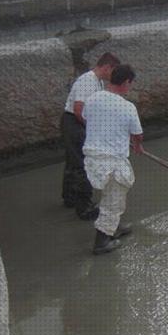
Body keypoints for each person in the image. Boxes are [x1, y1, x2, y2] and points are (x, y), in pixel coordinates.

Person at [82, 64, 144, 255]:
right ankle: (102, 243)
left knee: (108, 195)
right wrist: (137, 146)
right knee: (113, 201)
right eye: (130, 84)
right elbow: (137, 134)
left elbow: (85, 118)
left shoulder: (93, 98)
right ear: (126, 82)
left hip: (93, 159)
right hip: (112, 161)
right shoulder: (127, 107)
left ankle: (113, 227)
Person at [60, 52, 121, 220]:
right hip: (74, 122)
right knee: (82, 165)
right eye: (114, 72)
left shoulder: (98, 82)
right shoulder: (87, 80)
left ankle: (69, 197)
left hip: (75, 122)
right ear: (107, 67)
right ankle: (84, 208)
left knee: (73, 161)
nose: (114, 77)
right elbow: (79, 110)